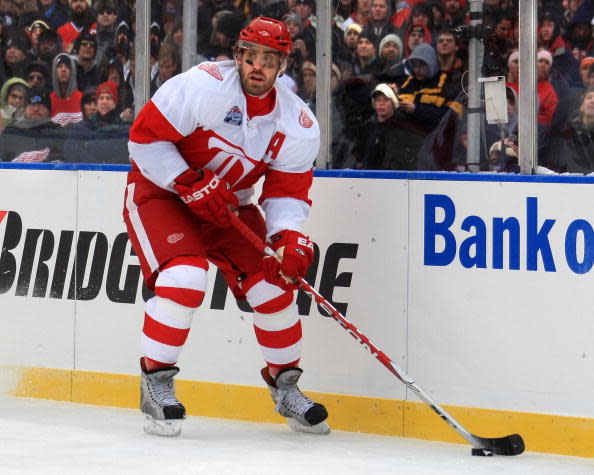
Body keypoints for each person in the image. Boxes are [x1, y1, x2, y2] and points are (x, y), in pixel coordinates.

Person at [124, 17, 329, 438]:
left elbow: (287, 194)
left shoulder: (298, 123)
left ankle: (286, 386)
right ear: (238, 55)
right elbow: (144, 139)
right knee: (184, 278)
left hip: (228, 208)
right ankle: (156, 383)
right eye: (250, 56)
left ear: (283, 65)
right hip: (163, 193)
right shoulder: (201, 86)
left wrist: (288, 240)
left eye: (268, 60)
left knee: (275, 285)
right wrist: (188, 182)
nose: (257, 67)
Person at [64, 81, 130, 164]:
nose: (104, 102)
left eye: (108, 98)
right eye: (101, 98)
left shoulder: (124, 129)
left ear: (115, 102)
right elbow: (70, 151)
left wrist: (88, 145)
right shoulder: (82, 127)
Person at [0, 86, 65, 162]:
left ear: (49, 110)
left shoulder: (58, 132)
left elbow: (60, 162)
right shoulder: (11, 132)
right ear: (25, 108)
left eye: (41, 105)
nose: (36, 109)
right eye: (32, 105)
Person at [50, 52, 83, 126]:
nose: (63, 70)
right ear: (54, 71)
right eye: (60, 66)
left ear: (72, 72)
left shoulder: (82, 98)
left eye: (67, 67)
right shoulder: (48, 99)